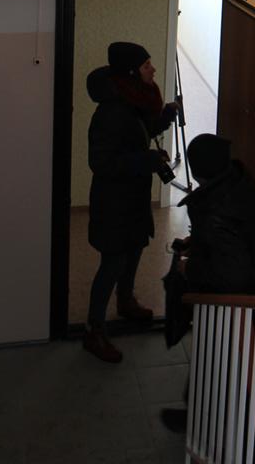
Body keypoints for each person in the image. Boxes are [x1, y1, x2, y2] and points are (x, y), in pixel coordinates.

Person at [82, 41, 178, 364]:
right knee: (112, 262)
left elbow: (140, 131)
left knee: (135, 247)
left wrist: (165, 116)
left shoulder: (132, 98)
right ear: (132, 72)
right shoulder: (110, 112)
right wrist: (146, 160)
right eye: (147, 65)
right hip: (113, 202)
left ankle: (125, 302)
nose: (153, 69)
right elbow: (101, 162)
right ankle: (93, 332)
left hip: (133, 196)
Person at [160, 133, 255, 431]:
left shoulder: (216, 210)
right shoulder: (237, 187)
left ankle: (205, 420)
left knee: (215, 358)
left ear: (198, 169)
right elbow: (232, 240)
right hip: (243, 295)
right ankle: (201, 413)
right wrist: (196, 242)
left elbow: (230, 271)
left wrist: (189, 268)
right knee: (217, 357)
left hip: (225, 301)